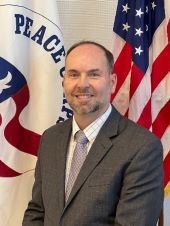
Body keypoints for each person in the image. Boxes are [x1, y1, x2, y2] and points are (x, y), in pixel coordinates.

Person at [22, 41, 163, 226]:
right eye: (73, 74)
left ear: (112, 83)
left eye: (94, 74)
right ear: (64, 82)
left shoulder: (142, 148)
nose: (82, 84)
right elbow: (37, 211)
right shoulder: (50, 139)